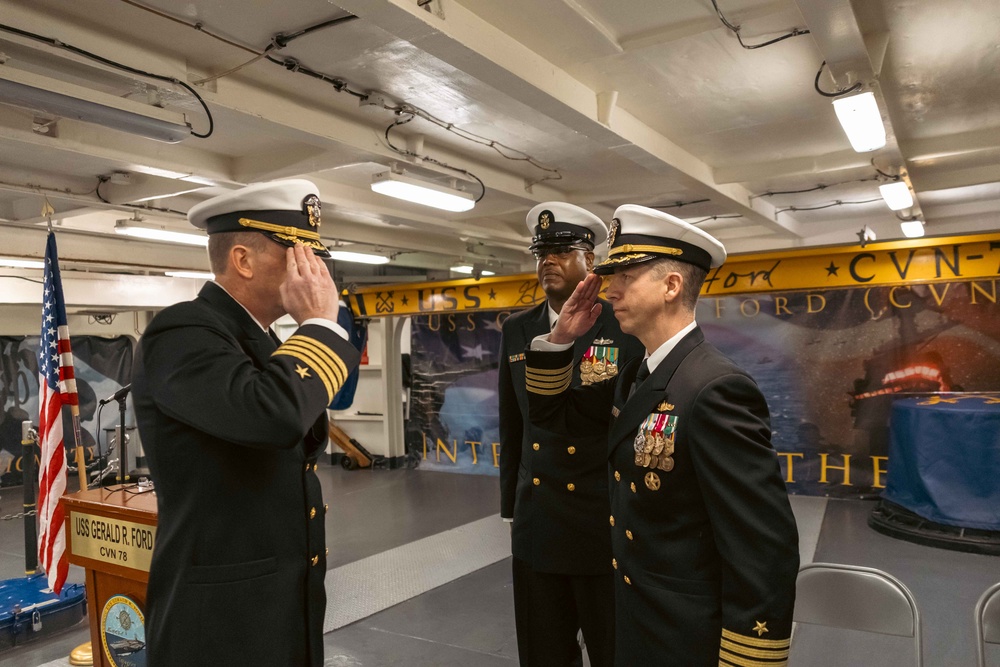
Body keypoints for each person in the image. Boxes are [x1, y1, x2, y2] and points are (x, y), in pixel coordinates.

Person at [524, 204, 799, 666]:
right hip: (638, 617)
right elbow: (555, 417)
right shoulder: (637, 373)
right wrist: (560, 340)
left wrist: (748, 658)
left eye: (626, 277)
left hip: (687, 634)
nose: (611, 290)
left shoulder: (715, 388)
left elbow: (762, 547)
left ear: (672, 286)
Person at [132, 179, 359, 667]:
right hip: (220, 619)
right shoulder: (183, 330)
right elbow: (272, 416)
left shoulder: (258, 340)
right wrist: (320, 323)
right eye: (299, 254)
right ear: (243, 260)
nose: (314, 269)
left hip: (271, 602)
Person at [498, 202, 643, 667]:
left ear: (590, 261)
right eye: (541, 252)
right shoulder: (517, 329)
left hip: (599, 517)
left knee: (611, 649)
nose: (548, 261)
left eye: (562, 250)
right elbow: (513, 420)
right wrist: (510, 507)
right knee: (543, 651)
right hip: (538, 519)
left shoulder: (621, 327)